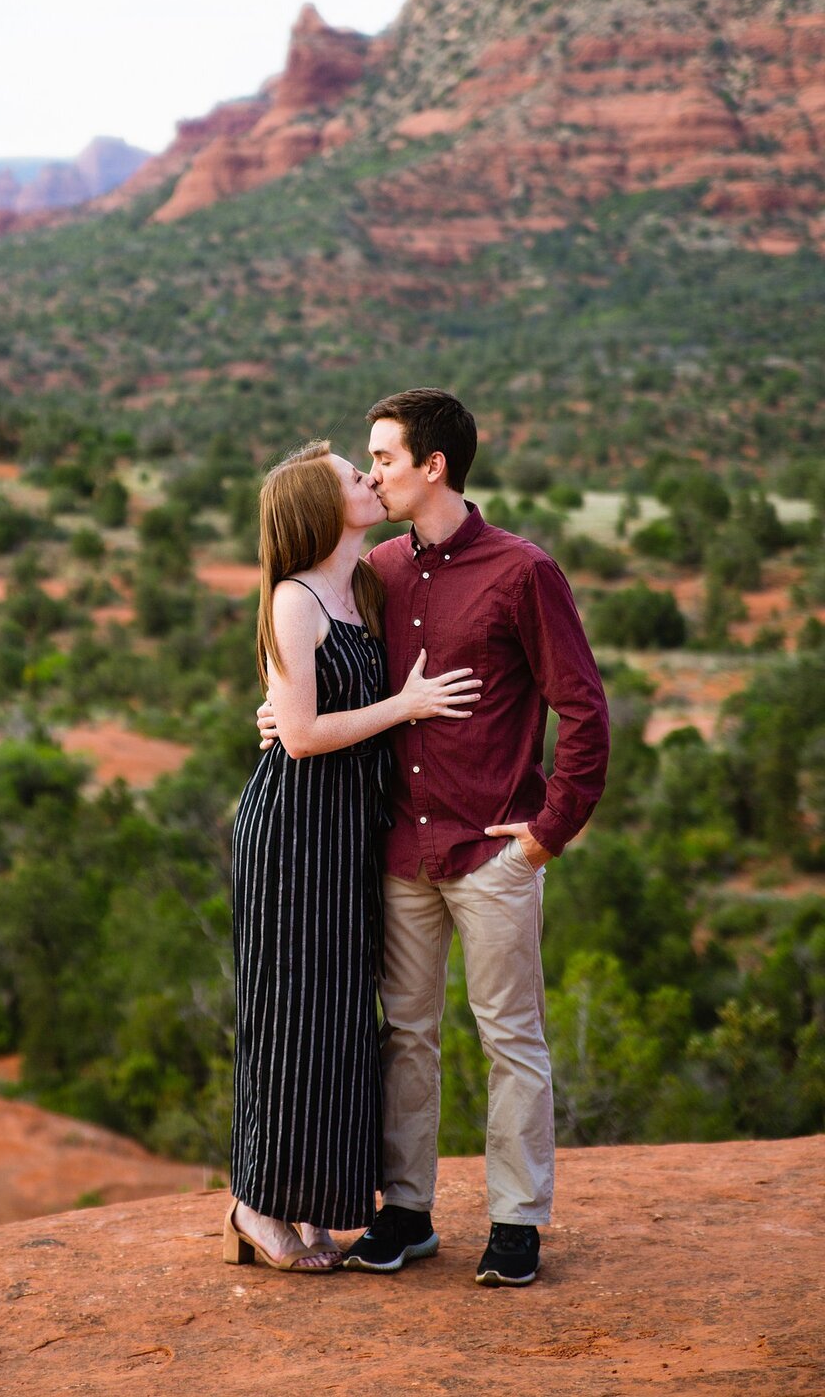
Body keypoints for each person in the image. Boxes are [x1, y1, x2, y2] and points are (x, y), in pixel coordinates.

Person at [259, 390, 610, 1286]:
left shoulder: (524, 571)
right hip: (399, 853)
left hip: (493, 850)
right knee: (405, 1036)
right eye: (368, 462)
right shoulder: (377, 570)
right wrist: (275, 714)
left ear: (433, 467)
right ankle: (406, 1212)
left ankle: (516, 1222)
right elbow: (313, 657)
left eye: (382, 458)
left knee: (511, 1040)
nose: (372, 473)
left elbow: (584, 709)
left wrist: (546, 833)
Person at [225, 439, 483, 1273]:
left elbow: (291, 708)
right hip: (294, 832)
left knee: (334, 1023)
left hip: (346, 835)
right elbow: (297, 738)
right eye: (351, 478)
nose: (368, 480)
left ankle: (306, 1205)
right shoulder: (296, 599)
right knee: (283, 1017)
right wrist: (404, 706)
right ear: (316, 507)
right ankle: (252, 1202)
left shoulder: (364, 583)